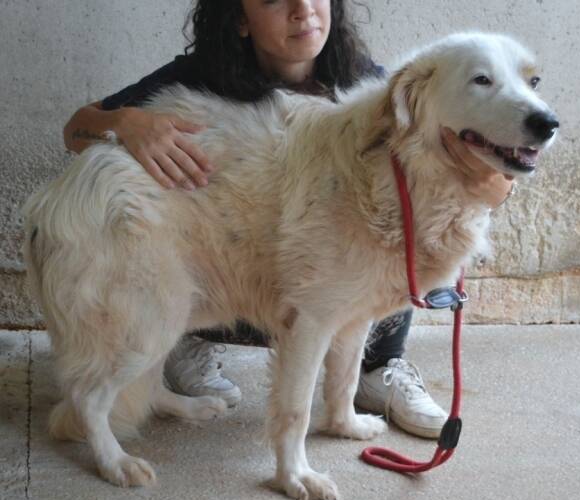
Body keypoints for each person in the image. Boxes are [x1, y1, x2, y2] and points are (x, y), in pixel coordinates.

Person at [63, 0, 513, 439]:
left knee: (390, 238)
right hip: (236, 275)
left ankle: (380, 367)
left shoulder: (370, 83)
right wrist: (125, 122)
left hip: (341, 278)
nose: (303, 9)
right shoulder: (202, 74)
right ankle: (188, 341)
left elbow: (473, 174)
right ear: (239, 19)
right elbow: (77, 128)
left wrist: (492, 187)